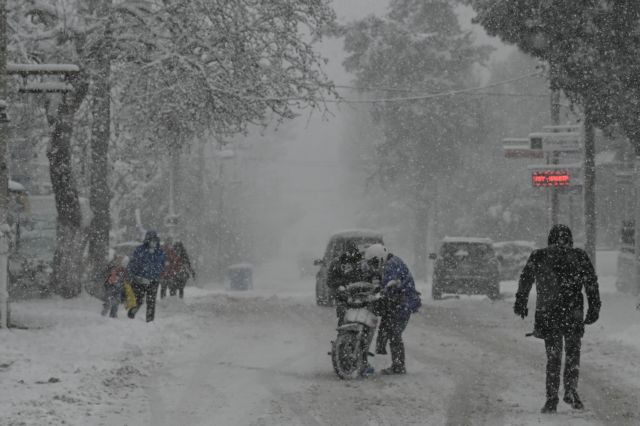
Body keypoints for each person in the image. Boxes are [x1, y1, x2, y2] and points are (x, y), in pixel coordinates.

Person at [514, 224, 601, 414]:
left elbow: (526, 278)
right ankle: (570, 389)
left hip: (549, 313)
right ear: (569, 239)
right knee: (572, 353)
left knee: (553, 357)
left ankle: (551, 398)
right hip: (573, 312)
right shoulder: (579, 256)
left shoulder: (539, 255)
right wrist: (594, 307)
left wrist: (521, 301)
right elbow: (591, 283)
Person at [364, 243, 422, 375]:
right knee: (392, 332)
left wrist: (380, 295)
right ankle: (397, 364)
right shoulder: (389, 262)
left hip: (403, 303)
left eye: (374, 262)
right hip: (399, 302)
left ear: (380, 258)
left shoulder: (391, 265)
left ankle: (399, 366)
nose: (373, 266)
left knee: (395, 334)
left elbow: (390, 285)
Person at [127, 230, 166, 322]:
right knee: (138, 301)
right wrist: (135, 276)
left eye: (155, 240)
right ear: (147, 241)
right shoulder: (140, 250)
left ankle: (150, 320)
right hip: (140, 280)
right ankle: (131, 314)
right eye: (151, 240)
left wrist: (159, 275)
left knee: (151, 302)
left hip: (154, 281)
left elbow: (162, 265)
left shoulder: (160, 252)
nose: (153, 243)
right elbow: (133, 265)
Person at [326, 241, 366, 326]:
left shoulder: (363, 264)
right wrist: (342, 285)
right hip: (344, 298)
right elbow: (330, 281)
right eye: (349, 251)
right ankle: (342, 336)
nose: (351, 254)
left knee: (364, 321)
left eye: (353, 251)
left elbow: (368, 279)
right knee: (344, 319)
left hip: (361, 298)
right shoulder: (337, 263)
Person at [101, 254, 129, 318]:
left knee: (116, 301)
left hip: (118, 288)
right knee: (109, 300)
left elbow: (126, 278)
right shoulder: (112, 267)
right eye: (118, 260)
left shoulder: (124, 270)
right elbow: (107, 274)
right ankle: (104, 312)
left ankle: (113, 315)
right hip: (110, 286)